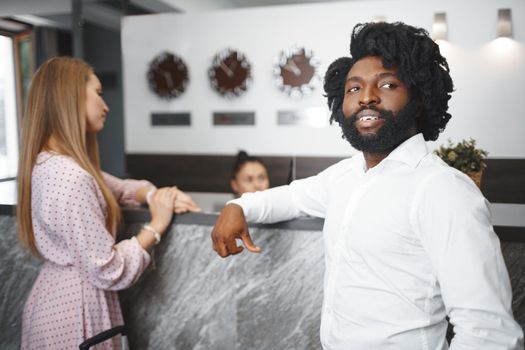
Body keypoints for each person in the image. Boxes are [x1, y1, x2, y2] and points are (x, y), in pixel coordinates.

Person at [211, 22, 523, 349]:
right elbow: (291, 197)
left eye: (387, 84)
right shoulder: (345, 176)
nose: (367, 98)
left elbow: (489, 333)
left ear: (418, 99)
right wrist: (239, 206)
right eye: (354, 88)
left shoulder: (443, 190)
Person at [17, 56, 199, 349]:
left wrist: (155, 196)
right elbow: (108, 269)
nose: (106, 105)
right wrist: (156, 225)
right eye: (98, 93)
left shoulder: (51, 163)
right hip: (76, 317)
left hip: (55, 305)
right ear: (71, 96)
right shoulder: (70, 177)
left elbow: (118, 187)